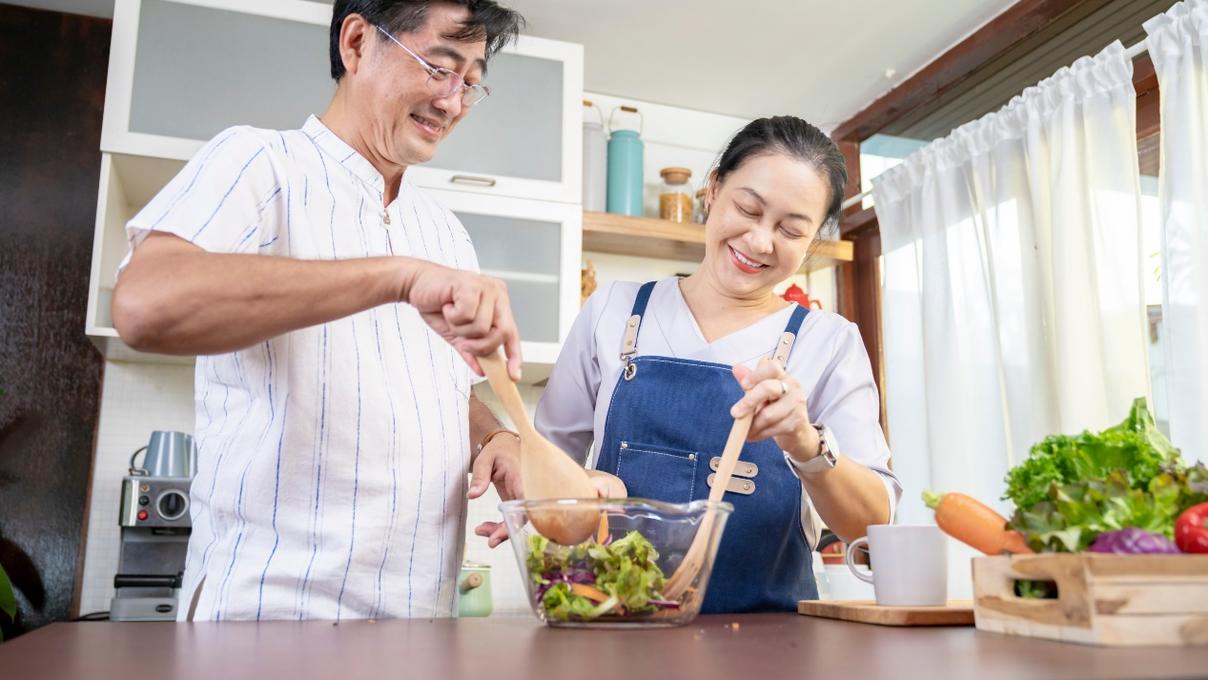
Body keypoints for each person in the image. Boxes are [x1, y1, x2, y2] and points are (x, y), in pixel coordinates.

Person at [112, 0, 530, 621]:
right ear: (357, 43)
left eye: (470, 81)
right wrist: (397, 276)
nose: (452, 102)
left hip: (420, 621)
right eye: (438, 67)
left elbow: (438, 385)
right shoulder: (261, 163)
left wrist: (495, 434)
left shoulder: (444, 232)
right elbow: (145, 306)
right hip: (270, 618)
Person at [531, 117, 903, 613]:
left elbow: (873, 526)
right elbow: (546, 467)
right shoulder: (614, 313)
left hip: (774, 647)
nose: (760, 242)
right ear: (712, 191)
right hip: (616, 630)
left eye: (791, 230)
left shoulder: (828, 342)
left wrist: (806, 443)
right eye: (747, 209)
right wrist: (574, 497)